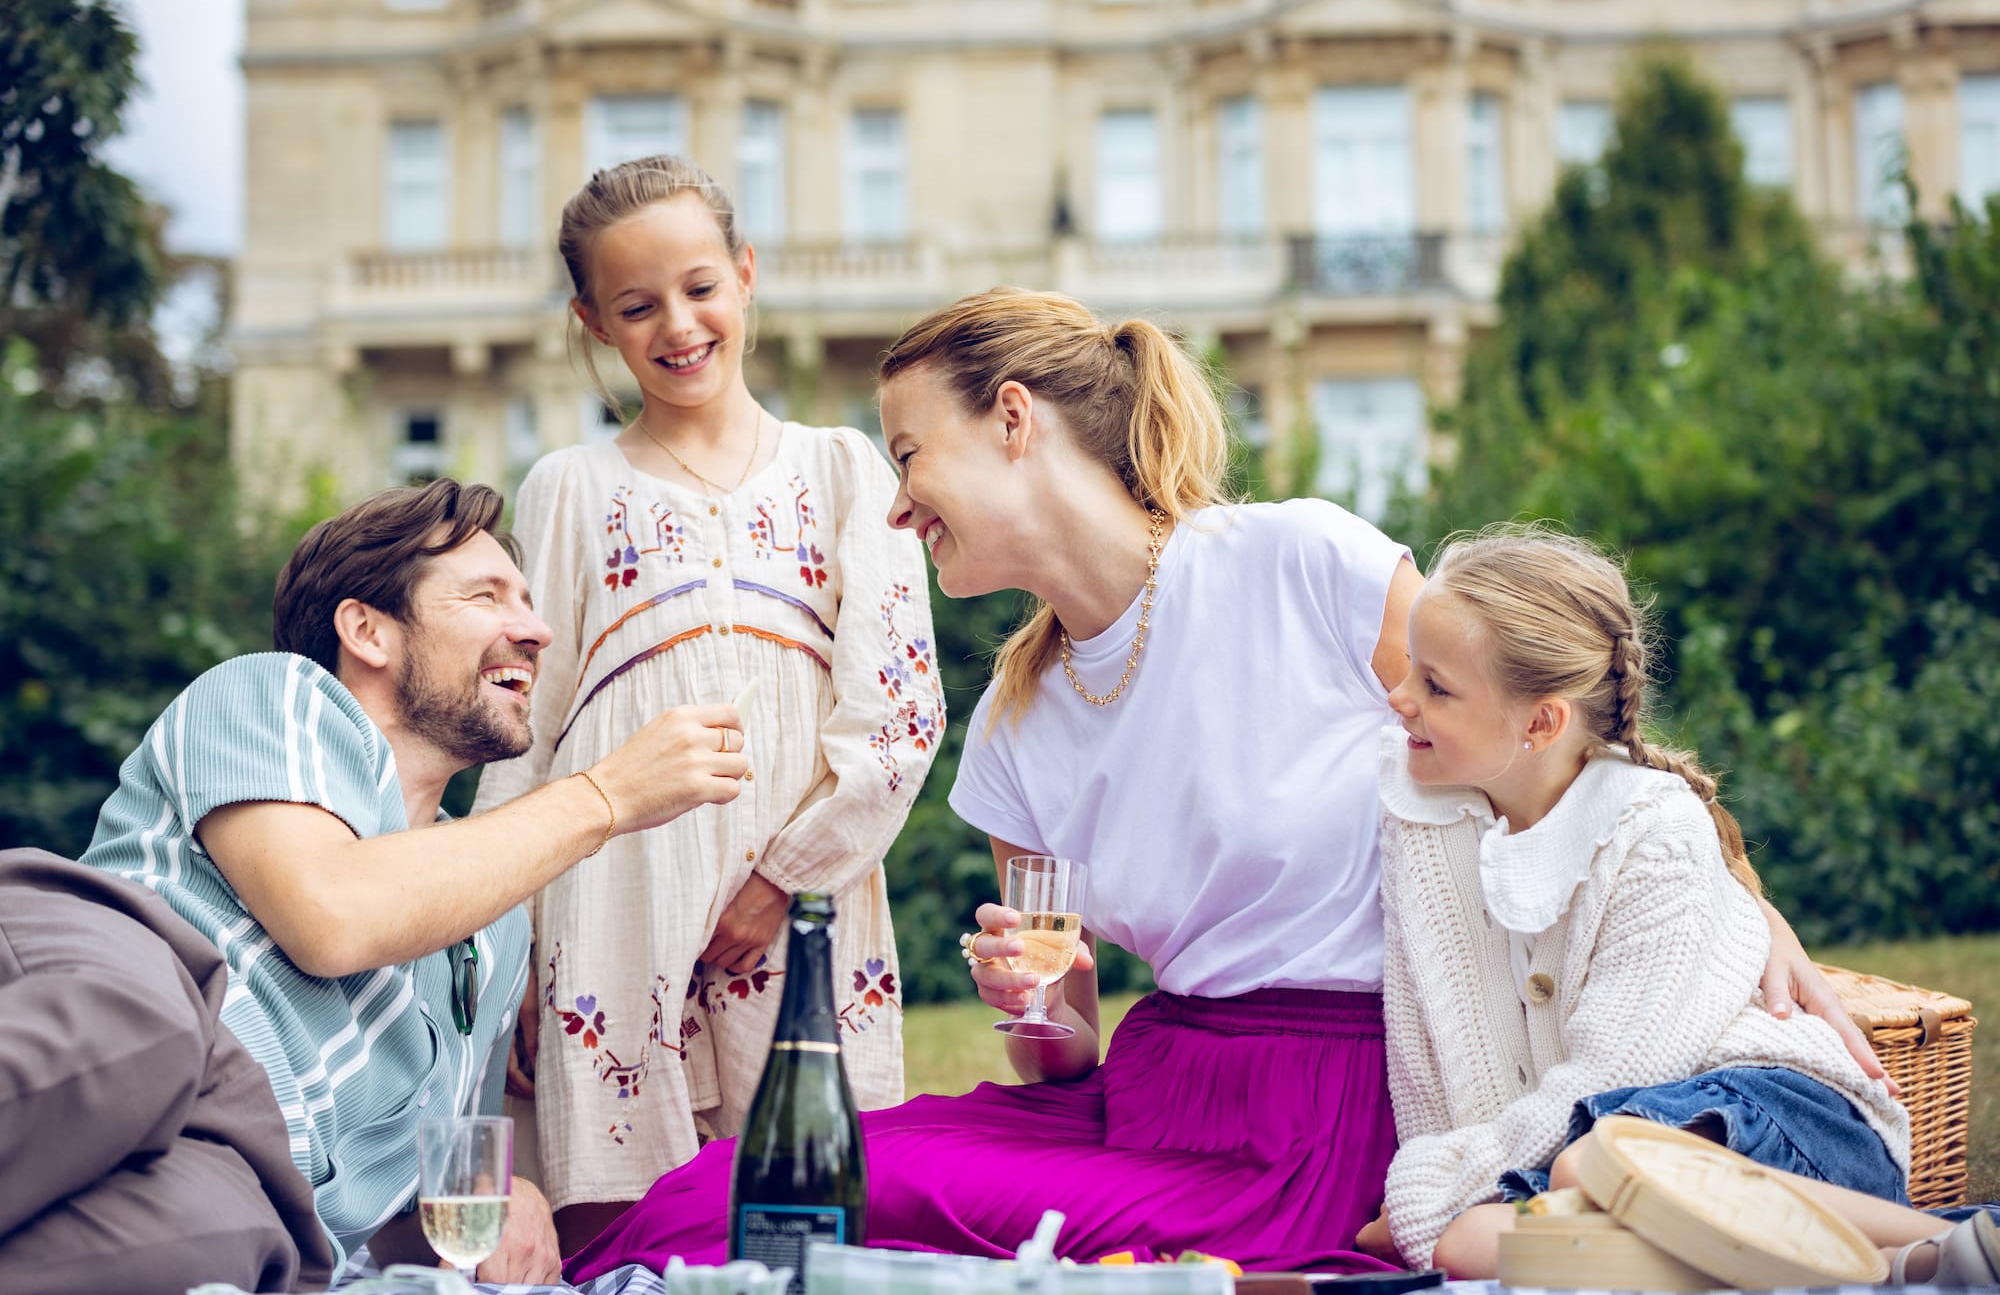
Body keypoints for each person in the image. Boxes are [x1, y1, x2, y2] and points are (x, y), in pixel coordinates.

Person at [566, 288, 1896, 1282]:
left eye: (911, 453)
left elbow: (1547, 742)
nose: (898, 505)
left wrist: (1733, 902)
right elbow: (1062, 1048)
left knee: (940, 1228)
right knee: (741, 1192)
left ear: (1013, 420)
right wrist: (1041, 1003)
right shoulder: (1013, 729)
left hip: (1352, 1090)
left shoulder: (1295, 565)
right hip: (1153, 1086)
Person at [80, 478, 751, 1283]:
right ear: (366, 629)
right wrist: (606, 795)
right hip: (128, 1155)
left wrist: (502, 1199)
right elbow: (334, 914)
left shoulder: (491, 924)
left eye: (530, 602)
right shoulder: (267, 697)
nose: (536, 631)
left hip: (286, 1257)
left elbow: (409, 1224)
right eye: (486, 595)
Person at [471, 154, 940, 1252]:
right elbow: (519, 743)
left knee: (804, 1222)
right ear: (593, 322)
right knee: (614, 1232)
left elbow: (901, 719)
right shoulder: (568, 489)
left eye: (697, 288)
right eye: (636, 306)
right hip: (607, 915)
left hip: (799, 915)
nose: (676, 325)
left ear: (744, 274)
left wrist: (784, 879)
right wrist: (509, 966)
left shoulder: (844, 473)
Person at [1355, 526, 1988, 1279]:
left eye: (1436, 685)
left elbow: (1621, 1066)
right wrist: (1449, 1185)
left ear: (1540, 723)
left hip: (1772, 1112)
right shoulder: (1420, 821)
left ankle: (1951, 1239)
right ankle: (1884, 1268)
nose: (1398, 698)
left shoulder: (1651, 827)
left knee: (1595, 1165)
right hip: (1580, 1145)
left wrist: (1439, 1179)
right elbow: (1428, 1046)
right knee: (1468, 1240)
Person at [0, 847, 335, 1295]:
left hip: (241, 1162)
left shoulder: (457, 983)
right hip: (97, 962)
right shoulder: (318, 789)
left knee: (198, 1247)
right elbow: (334, 922)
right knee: (130, 1034)